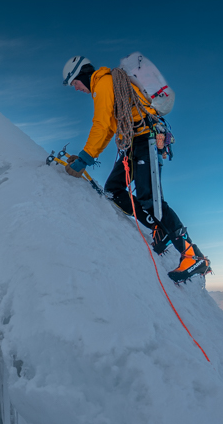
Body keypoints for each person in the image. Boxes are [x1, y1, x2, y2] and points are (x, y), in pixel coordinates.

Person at [60, 56, 210, 282]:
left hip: (145, 138)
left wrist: (85, 158)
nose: (77, 89)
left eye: (75, 84)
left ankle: (192, 255)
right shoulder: (105, 85)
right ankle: (158, 229)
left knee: (150, 197)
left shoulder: (102, 83)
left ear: (80, 75)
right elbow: (109, 129)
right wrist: (87, 155)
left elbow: (100, 124)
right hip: (133, 143)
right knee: (113, 189)